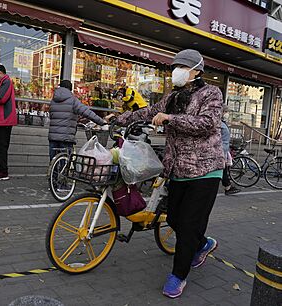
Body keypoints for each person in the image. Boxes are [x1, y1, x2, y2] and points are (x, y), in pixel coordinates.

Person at [113, 49, 224, 298]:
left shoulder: (211, 93)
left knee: (187, 225)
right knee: (173, 219)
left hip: (206, 170)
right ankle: (204, 244)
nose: (177, 70)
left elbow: (207, 123)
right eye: (175, 66)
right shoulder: (173, 96)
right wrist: (120, 118)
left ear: (197, 70)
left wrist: (170, 119)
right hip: (178, 169)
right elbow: (150, 112)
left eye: (182, 66)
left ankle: (178, 276)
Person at [48, 80, 107, 161]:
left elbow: (52, 115)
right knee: (65, 161)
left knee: (54, 160)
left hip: (53, 136)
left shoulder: (53, 100)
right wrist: (101, 122)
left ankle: (52, 172)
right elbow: (87, 112)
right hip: (66, 136)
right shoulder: (73, 100)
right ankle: (62, 172)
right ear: (70, 89)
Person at [221, 105, 241, 195]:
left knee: (223, 169)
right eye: (226, 112)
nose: (227, 114)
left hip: (223, 150)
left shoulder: (223, 123)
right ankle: (227, 186)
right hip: (220, 151)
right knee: (222, 169)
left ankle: (228, 186)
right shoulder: (219, 124)